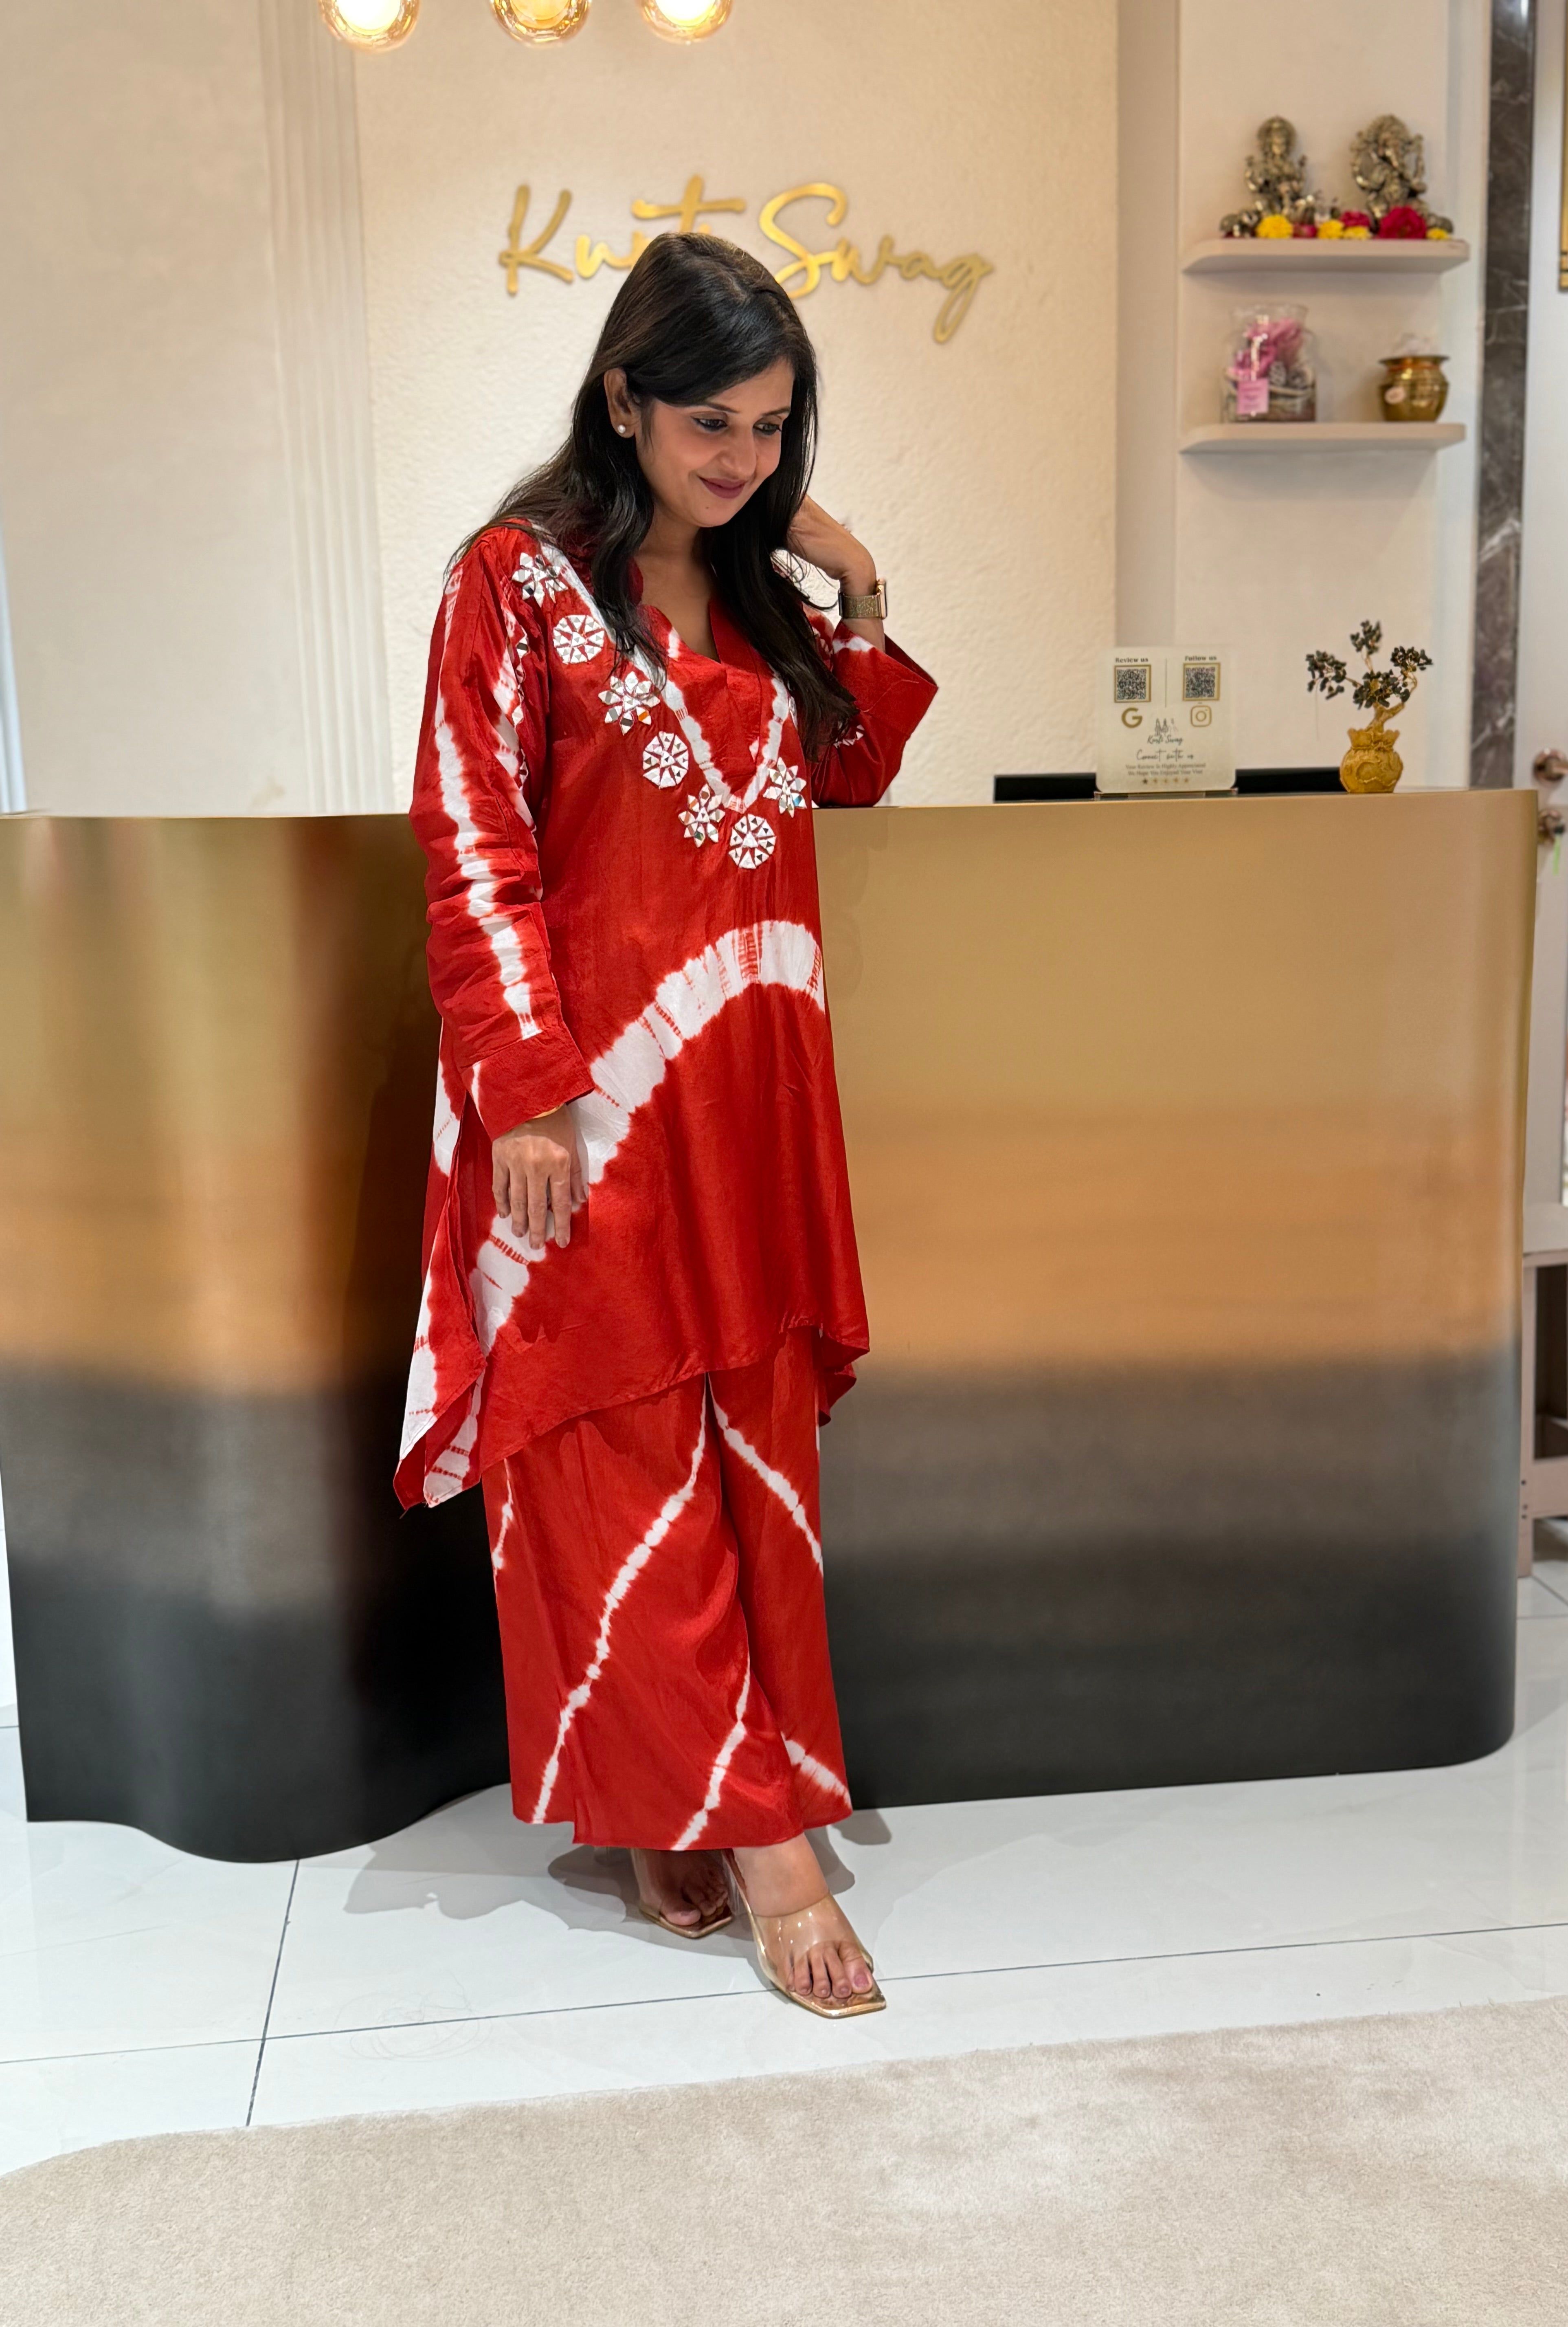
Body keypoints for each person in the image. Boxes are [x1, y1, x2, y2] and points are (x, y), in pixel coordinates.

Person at [396, 233, 936, 2019]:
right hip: (589, 1114)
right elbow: (473, 842)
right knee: (616, 1460)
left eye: (773, 430)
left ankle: (673, 1803)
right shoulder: (516, 584)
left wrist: (855, 587)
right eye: (713, 423)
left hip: (753, 1108)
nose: (742, 460)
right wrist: (528, 1088)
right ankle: (772, 1846)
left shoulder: (760, 598)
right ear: (624, 399)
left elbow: (845, 770)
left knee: (746, 1460)